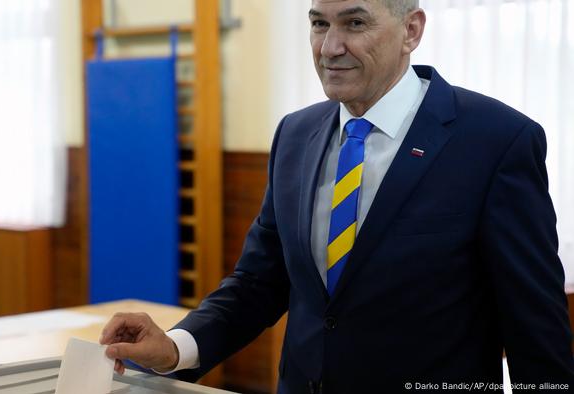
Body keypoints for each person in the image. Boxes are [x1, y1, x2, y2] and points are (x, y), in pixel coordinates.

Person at [100, 0, 574, 392]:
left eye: (355, 22)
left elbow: (535, 328)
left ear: (411, 30)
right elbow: (258, 283)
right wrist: (177, 346)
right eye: (319, 23)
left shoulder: (496, 140)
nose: (330, 47)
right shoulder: (295, 134)